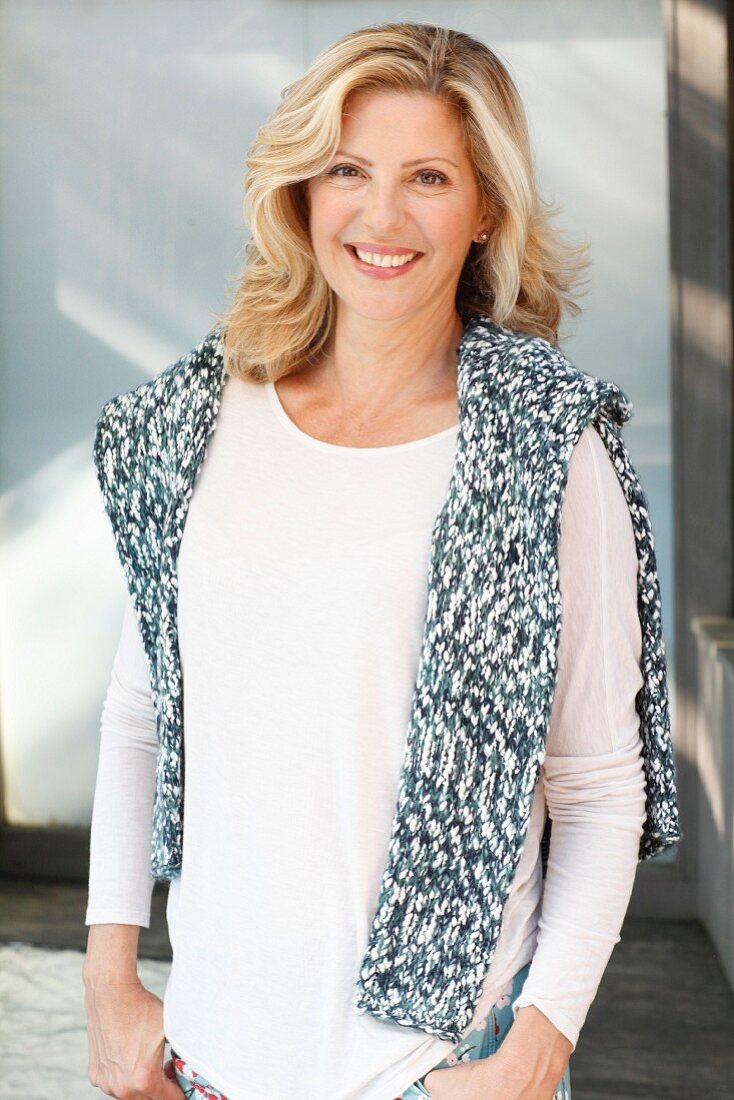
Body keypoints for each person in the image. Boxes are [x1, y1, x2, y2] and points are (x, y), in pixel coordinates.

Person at [82, 21, 681, 1100]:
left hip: (430, 1064)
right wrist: (109, 977)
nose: (381, 215)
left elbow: (595, 785)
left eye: (428, 177)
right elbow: (139, 712)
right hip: (205, 1053)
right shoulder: (200, 417)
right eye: (348, 170)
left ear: (485, 205)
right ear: (302, 190)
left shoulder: (543, 445)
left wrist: (535, 1046)